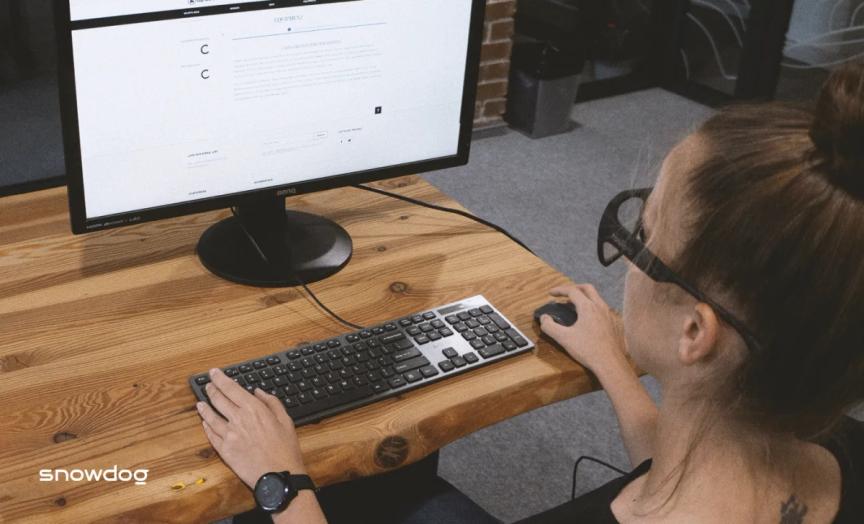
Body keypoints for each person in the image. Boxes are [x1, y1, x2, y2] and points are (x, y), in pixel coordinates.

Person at [196, 64, 864, 523]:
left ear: (696, 333)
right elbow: (695, 476)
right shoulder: (843, 453)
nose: (628, 261)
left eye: (642, 234)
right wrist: (614, 368)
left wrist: (281, 483)